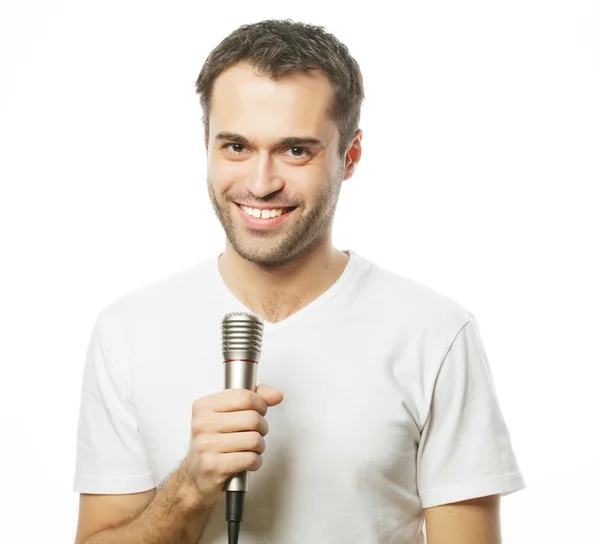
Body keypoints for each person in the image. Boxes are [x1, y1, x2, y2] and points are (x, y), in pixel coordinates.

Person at [73, 19, 525, 544]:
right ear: (206, 142)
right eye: (236, 146)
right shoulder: (128, 331)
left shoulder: (435, 333)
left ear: (349, 157)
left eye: (295, 150)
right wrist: (190, 487)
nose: (260, 184)